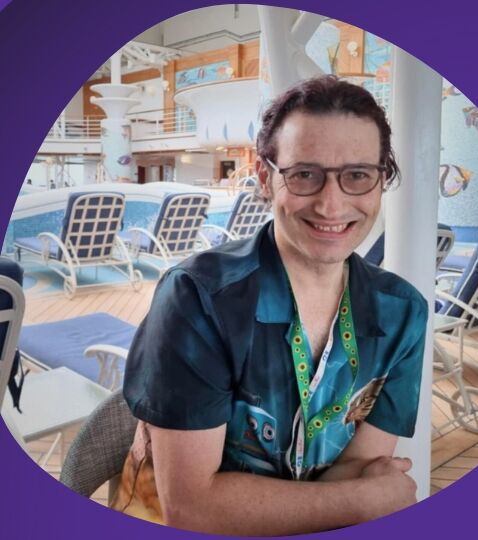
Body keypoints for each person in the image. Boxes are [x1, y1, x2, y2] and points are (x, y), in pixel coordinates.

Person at [117, 75, 428, 535]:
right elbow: (192, 509)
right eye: (304, 174)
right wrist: (361, 500)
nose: (331, 204)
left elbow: (363, 467)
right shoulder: (200, 298)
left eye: (358, 176)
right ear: (266, 178)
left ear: (382, 182)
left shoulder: (401, 312)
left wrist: (353, 497)